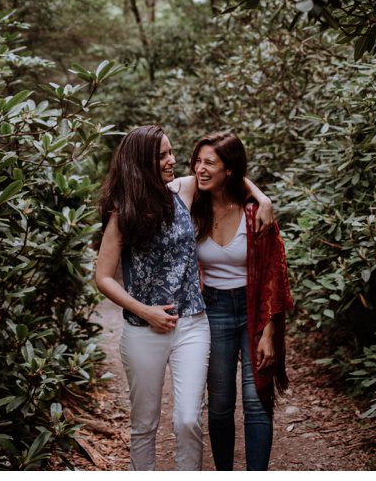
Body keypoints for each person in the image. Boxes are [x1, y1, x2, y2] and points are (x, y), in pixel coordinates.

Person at [93, 125, 274, 471]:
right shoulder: (123, 211)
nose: (172, 160)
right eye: (162, 155)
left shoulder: (182, 190)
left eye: (171, 153)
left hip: (193, 323)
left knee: (190, 419)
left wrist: (263, 199)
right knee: (144, 424)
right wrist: (145, 311)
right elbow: (103, 277)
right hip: (143, 329)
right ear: (142, 161)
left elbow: (230, 175)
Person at [176, 131, 294, 472]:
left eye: (209, 163)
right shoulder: (191, 207)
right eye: (197, 161)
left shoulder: (255, 212)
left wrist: (270, 332)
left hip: (254, 310)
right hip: (212, 310)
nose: (200, 169)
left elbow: (274, 272)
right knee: (220, 405)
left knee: (257, 402)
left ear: (229, 169)